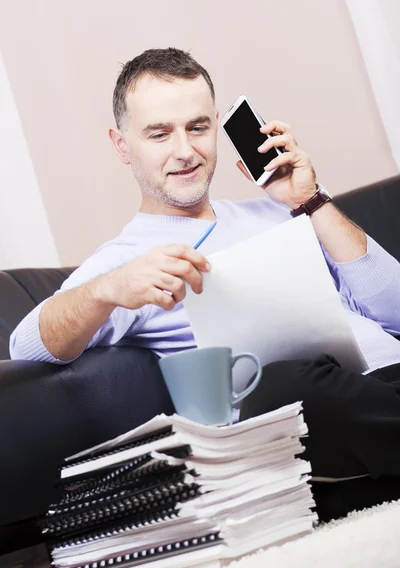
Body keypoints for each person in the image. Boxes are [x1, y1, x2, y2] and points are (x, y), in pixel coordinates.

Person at [10, 48, 400, 519]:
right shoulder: (123, 263)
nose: (185, 151)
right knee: (279, 386)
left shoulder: (285, 208)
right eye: (159, 133)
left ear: (216, 126)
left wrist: (311, 201)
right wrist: (105, 290)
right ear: (121, 145)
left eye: (198, 127)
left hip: (386, 382)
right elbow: (25, 346)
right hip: (307, 406)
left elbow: (394, 311)